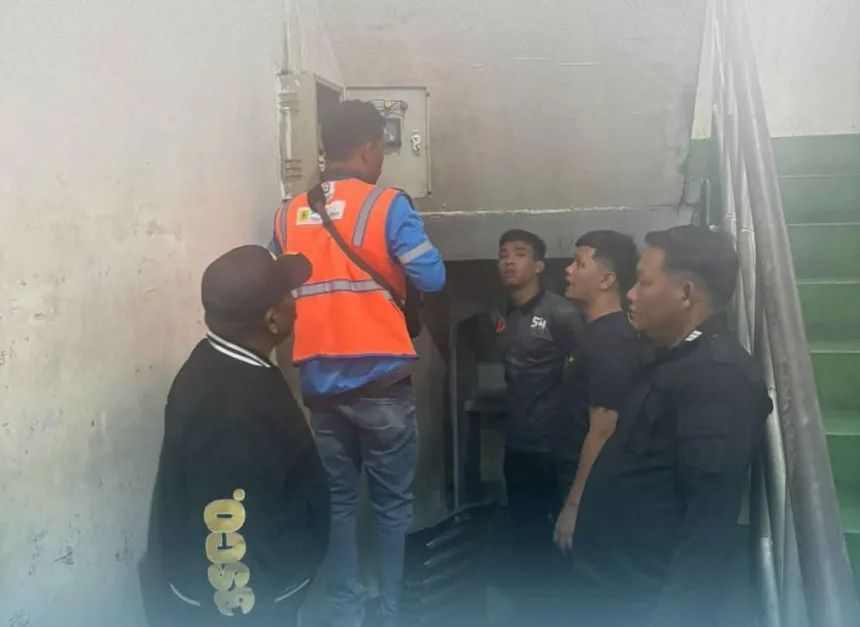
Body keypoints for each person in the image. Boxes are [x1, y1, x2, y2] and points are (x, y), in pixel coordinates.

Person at [270, 100, 446, 627]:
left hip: (320, 387)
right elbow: (433, 278)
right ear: (369, 148)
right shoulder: (387, 205)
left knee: (339, 505)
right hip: (381, 383)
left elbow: (278, 286)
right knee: (392, 506)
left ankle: (345, 616)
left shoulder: (288, 214)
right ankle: (390, 615)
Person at [569, 225, 773, 627]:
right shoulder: (670, 360)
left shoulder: (718, 377)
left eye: (644, 282)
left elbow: (707, 521)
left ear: (686, 292)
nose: (631, 294)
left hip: (645, 603)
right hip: (611, 592)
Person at [141, 245, 330, 627]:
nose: (295, 303)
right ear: (271, 319)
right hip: (247, 606)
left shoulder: (220, 364)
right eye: (288, 295)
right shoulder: (232, 411)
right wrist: (251, 611)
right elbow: (228, 541)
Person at [494, 229, 583, 624]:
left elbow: (583, 375)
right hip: (518, 446)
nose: (509, 261)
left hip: (553, 448)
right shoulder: (505, 315)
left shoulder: (561, 314)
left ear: (539, 266)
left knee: (559, 542)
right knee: (525, 539)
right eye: (503, 255)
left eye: (520, 254)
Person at [552, 230, 644, 554]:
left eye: (579, 264)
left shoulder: (612, 340)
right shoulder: (593, 334)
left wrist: (575, 504)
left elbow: (603, 429)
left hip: (595, 495)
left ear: (607, 280)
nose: (568, 270)